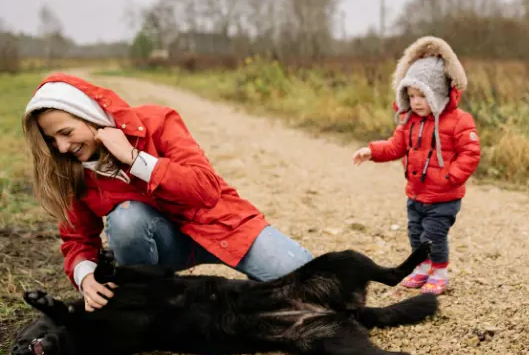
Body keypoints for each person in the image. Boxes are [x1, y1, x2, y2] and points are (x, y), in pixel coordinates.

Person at [22, 73, 314, 312]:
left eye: (66, 133)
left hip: (223, 228)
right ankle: (148, 301)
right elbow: (76, 238)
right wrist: (85, 277)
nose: (61, 147)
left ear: (89, 115)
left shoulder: (157, 121)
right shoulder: (72, 169)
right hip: (165, 247)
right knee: (126, 219)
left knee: (315, 289)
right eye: (52, 140)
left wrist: (133, 159)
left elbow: (205, 188)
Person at [352, 36, 481, 295]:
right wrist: (372, 151)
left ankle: (440, 272)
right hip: (416, 193)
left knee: (433, 236)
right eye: (411, 95)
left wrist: (452, 176)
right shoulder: (410, 122)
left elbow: (471, 152)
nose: (416, 102)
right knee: (415, 234)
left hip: (443, 195)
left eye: (423, 95)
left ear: (439, 93)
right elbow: (395, 146)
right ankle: (421, 268)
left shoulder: (458, 121)